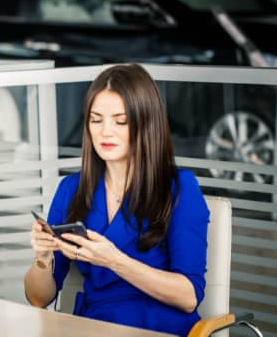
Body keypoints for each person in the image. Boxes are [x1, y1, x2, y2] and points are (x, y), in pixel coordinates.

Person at [23, 63, 209, 336]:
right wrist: (42, 258)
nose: (105, 131)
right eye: (96, 120)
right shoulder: (71, 189)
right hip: (93, 326)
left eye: (120, 121)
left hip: (157, 327)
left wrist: (114, 260)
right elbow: (39, 298)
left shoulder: (180, 188)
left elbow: (189, 296)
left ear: (146, 123)